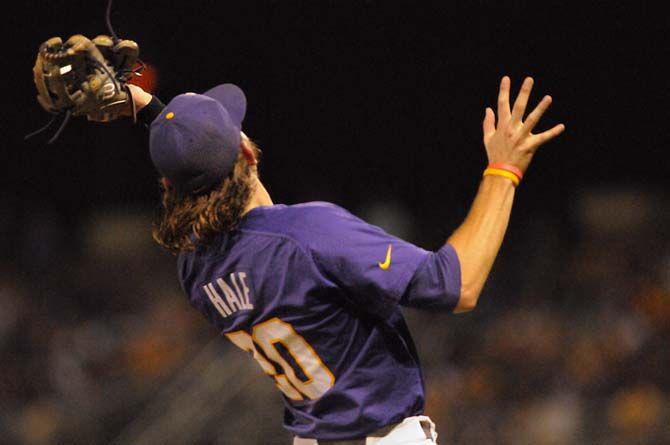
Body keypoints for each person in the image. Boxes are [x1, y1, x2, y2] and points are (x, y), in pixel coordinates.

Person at [125, 76, 564, 444]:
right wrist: (504, 170)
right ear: (247, 152)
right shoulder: (305, 232)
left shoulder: (194, 267)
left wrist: (153, 113)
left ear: (171, 186)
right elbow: (456, 284)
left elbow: (190, 167)